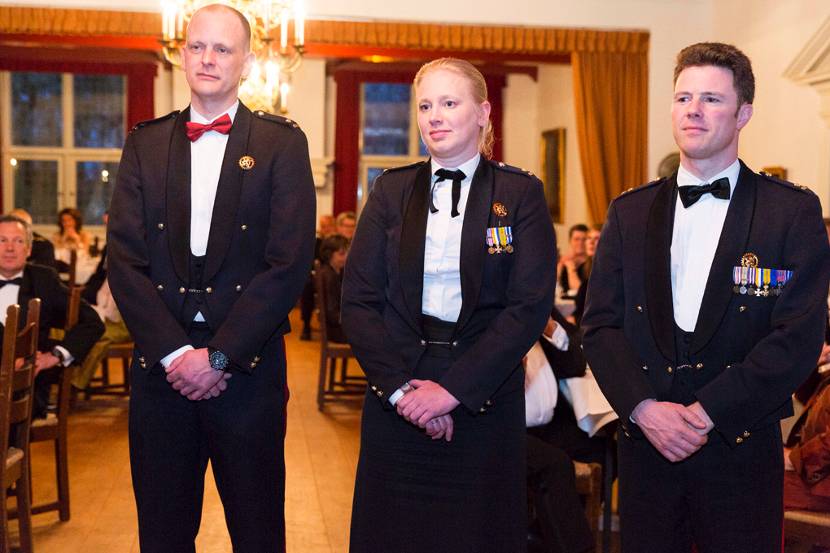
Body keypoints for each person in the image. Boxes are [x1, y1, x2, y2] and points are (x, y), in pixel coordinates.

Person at [582, 42, 830, 553]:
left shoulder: (789, 212)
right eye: (684, 98)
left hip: (739, 444)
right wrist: (643, 408)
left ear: (744, 114)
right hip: (648, 446)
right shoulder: (629, 212)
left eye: (712, 99)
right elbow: (600, 325)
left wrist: (708, 411)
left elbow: (798, 335)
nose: (693, 110)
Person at [107, 4, 316, 552]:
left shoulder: (281, 143)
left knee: (258, 532)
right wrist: (177, 355)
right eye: (198, 46)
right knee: (163, 535)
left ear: (246, 62)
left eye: (223, 49)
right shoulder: (145, 143)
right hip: (162, 372)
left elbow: (289, 262)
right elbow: (124, 261)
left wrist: (219, 356)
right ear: (181, 55)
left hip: (247, 371)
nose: (208, 58)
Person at [341, 57, 557, 552]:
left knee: (476, 536)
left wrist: (453, 392)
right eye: (425, 106)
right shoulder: (391, 190)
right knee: (392, 536)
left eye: (449, 103)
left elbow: (527, 307)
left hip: (483, 394)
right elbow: (359, 300)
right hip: (398, 387)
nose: (434, 116)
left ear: (483, 113)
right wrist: (403, 393)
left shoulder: (519, 192)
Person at [0, 215, 103, 417]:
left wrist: (55, 355)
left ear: (28, 249)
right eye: (2, 240)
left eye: (18, 241)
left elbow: (92, 322)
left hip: (27, 390)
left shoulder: (43, 280)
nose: (10, 248)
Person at [316, 234, 349, 343]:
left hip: (337, 327)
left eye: (347, 252)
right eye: (342, 254)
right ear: (329, 255)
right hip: (336, 331)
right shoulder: (330, 276)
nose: (346, 257)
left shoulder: (337, 272)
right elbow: (332, 314)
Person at [573, 224, 602, 326]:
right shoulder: (584, 268)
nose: (591, 242)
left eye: (596, 238)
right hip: (582, 322)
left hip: (592, 325)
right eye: (589, 238)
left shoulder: (605, 271)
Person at [557, 223, 588, 298]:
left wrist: (570, 268)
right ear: (570, 241)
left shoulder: (592, 265)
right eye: (576, 239)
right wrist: (560, 265)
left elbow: (580, 291)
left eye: (584, 239)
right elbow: (553, 286)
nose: (580, 243)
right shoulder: (563, 261)